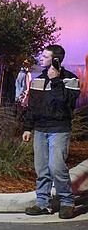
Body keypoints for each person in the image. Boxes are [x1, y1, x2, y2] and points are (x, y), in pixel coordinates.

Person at [22, 45, 80, 219]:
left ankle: (67, 202)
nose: (41, 58)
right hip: (40, 129)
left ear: (56, 59)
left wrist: (55, 81)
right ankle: (42, 203)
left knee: (57, 167)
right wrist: (27, 127)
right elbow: (32, 107)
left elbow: (66, 105)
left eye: (45, 56)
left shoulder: (70, 79)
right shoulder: (38, 80)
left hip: (59, 129)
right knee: (42, 169)